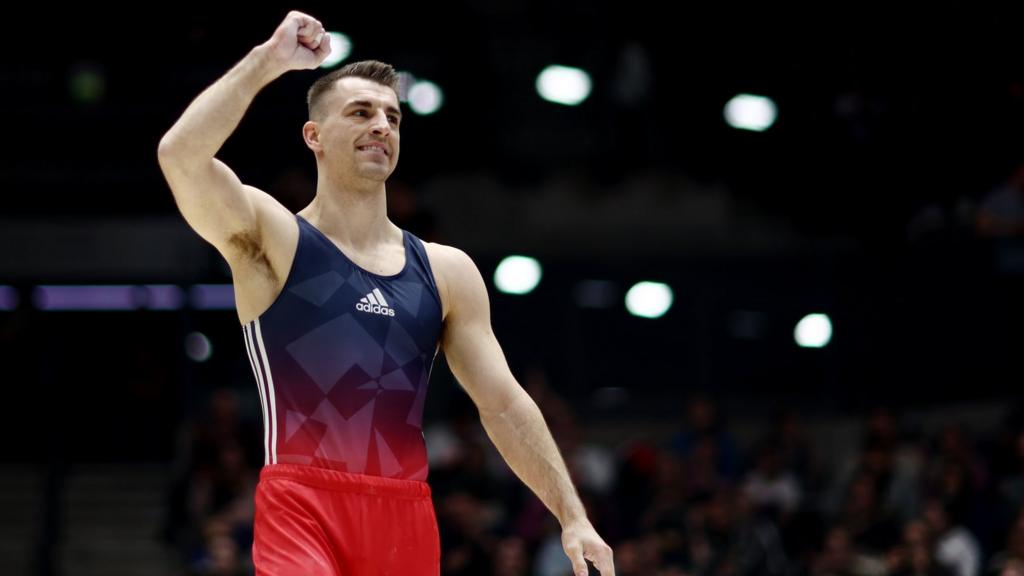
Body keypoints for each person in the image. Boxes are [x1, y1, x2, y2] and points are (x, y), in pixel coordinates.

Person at [157, 10, 614, 576]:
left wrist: (572, 515)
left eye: (393, 117)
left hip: (404, 520)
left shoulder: (446, 270)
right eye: (361, 112)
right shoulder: (273, 238)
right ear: (314, 136)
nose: (382, 125)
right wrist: (268, 61)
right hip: (302, 507)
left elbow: (503, 403)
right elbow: (180, 157)